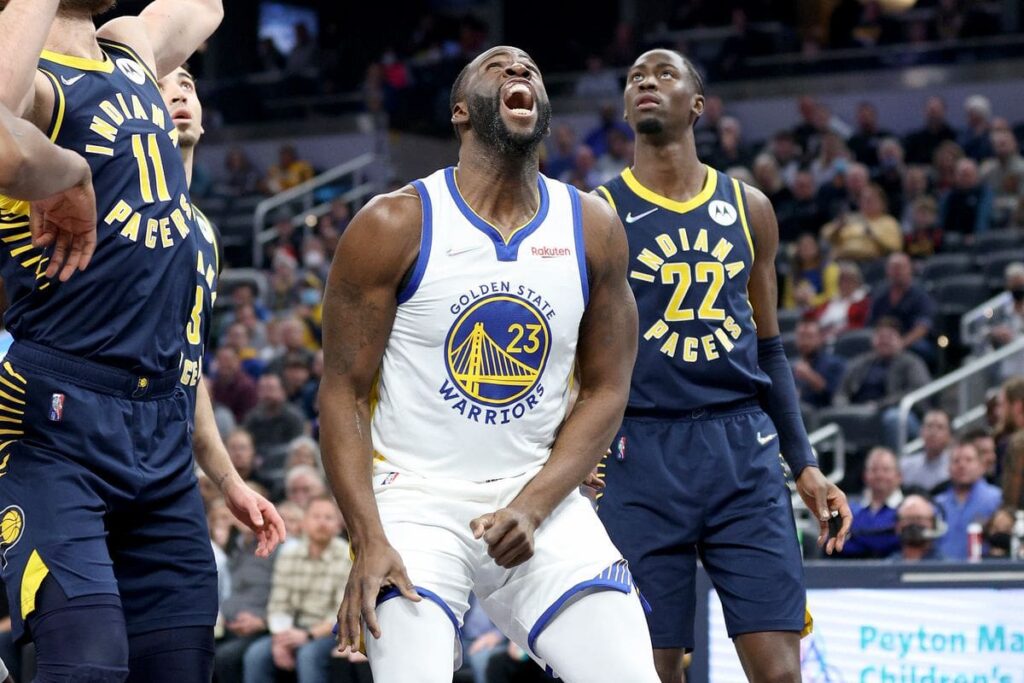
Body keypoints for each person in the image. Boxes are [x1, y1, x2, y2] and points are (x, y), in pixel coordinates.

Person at [319, 46, 660, 682]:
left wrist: (535, 504)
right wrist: (367, 539)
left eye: (529, 65)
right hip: (411, 498)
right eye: (496, 65)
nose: (518, 69)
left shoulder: (593, 225)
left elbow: (610, 388)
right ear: (460, 113)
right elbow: (341, 393)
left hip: (539, 497)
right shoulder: (393, 224)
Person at [0, 1, 284, 680]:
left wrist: (224, 474)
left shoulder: (128, 47)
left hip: (159, 428)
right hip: (58, 417)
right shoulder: (35, 81)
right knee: (90, 660)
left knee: (179, 664)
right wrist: (64, 173)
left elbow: (208, 5)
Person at [592, 49, 851, 683]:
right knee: (647, 672)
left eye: (664, 73)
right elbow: (577, 352)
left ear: (698, 105)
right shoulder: (594, 212)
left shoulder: (750, 207)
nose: (646, 81)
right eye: (635, 78)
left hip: (742, 450)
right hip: (640, 450)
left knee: (780, 673)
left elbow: (770, 348)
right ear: (626, 107)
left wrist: (807, 465)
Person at [243, 496, 354, 683]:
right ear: (304, 522)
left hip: (330, 633)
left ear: (338, 525)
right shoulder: (289, 554)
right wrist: (280, 641)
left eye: (328, 518)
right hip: (293, 629)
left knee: (308, 656)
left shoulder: (346, 556)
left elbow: (341, 613)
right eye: (316, 516)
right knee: (256, 655)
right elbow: (279, 604)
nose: (322, 522)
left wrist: (309, 635)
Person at [835, 317, 931, 449]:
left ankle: (893, 465)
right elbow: (841, 392)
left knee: (893, 418)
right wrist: (843, 406)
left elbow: (918, 392)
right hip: (860, 411)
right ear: (873, 340)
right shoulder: (859, 363)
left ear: (900, 340)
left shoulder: (912, 362)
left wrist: (880, 405)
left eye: (890, 336)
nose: (884, 341)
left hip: (900, 414)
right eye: (880, 336)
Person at [934, 442, 1002, 560]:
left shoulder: (997, 499)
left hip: (985, 570)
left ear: (981, 466)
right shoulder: (937, 504)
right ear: (948, 468)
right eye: (956, 461)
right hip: (941, 571)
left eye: (969, 460)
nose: (962, 465)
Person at [868, 252, 936, 362]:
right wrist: (882, 341)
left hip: (910, 340)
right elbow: (872, 323)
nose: (897, 271)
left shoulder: (920, 294)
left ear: (909, 269)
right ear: (887, 271)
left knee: (922, 348)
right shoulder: (880, 294)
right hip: (883, 340)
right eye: (893, 268)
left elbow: (923, 326)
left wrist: (901, 343)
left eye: (900, 267)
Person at [841, 447, 903, 559]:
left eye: (886, 470)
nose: (879, 475)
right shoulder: (849, 510)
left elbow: (904, 543)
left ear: (899, 476)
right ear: (865, 476)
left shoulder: (910, 510)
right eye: (874, 470)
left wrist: (856, 537)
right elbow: (838, 544)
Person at [792, 319, 846, 411]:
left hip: (825, 415)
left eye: (809, 336)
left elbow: (836, 397)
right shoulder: (789, 367)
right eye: (801, 337)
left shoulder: (835, 364)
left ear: (820, 338)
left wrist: (810, 376)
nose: (805, 342)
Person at [900, 409, 953, 494]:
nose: (933, 432)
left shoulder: (956, 467)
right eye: (929, 426)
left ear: (949, 436)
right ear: (921, 432)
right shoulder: (905, 466)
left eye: (940, 427)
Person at [893, 495, 945, 562]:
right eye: (908, 519)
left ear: (933, 525)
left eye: (919, 519)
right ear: (897, 526)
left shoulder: (948, 569)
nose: (914, 525)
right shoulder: (886, 567)